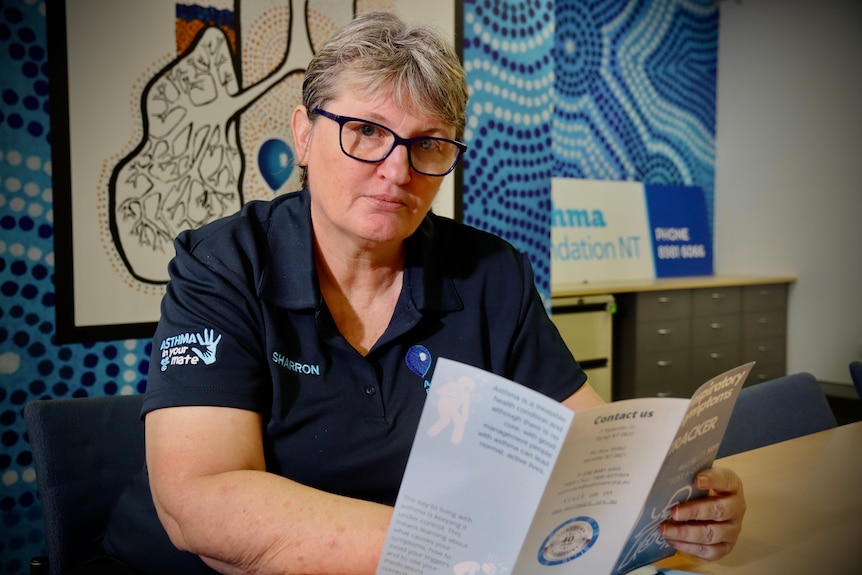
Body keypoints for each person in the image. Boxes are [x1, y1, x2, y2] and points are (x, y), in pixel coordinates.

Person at [101, 11, 746, 575]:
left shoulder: (492, 274)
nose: (396, 170)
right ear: (303, 134)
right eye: (366, 132)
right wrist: (453, 551)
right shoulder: (223, 264)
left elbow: (596, 453)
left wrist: (673, 502)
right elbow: (201, 504)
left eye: (428, 144)